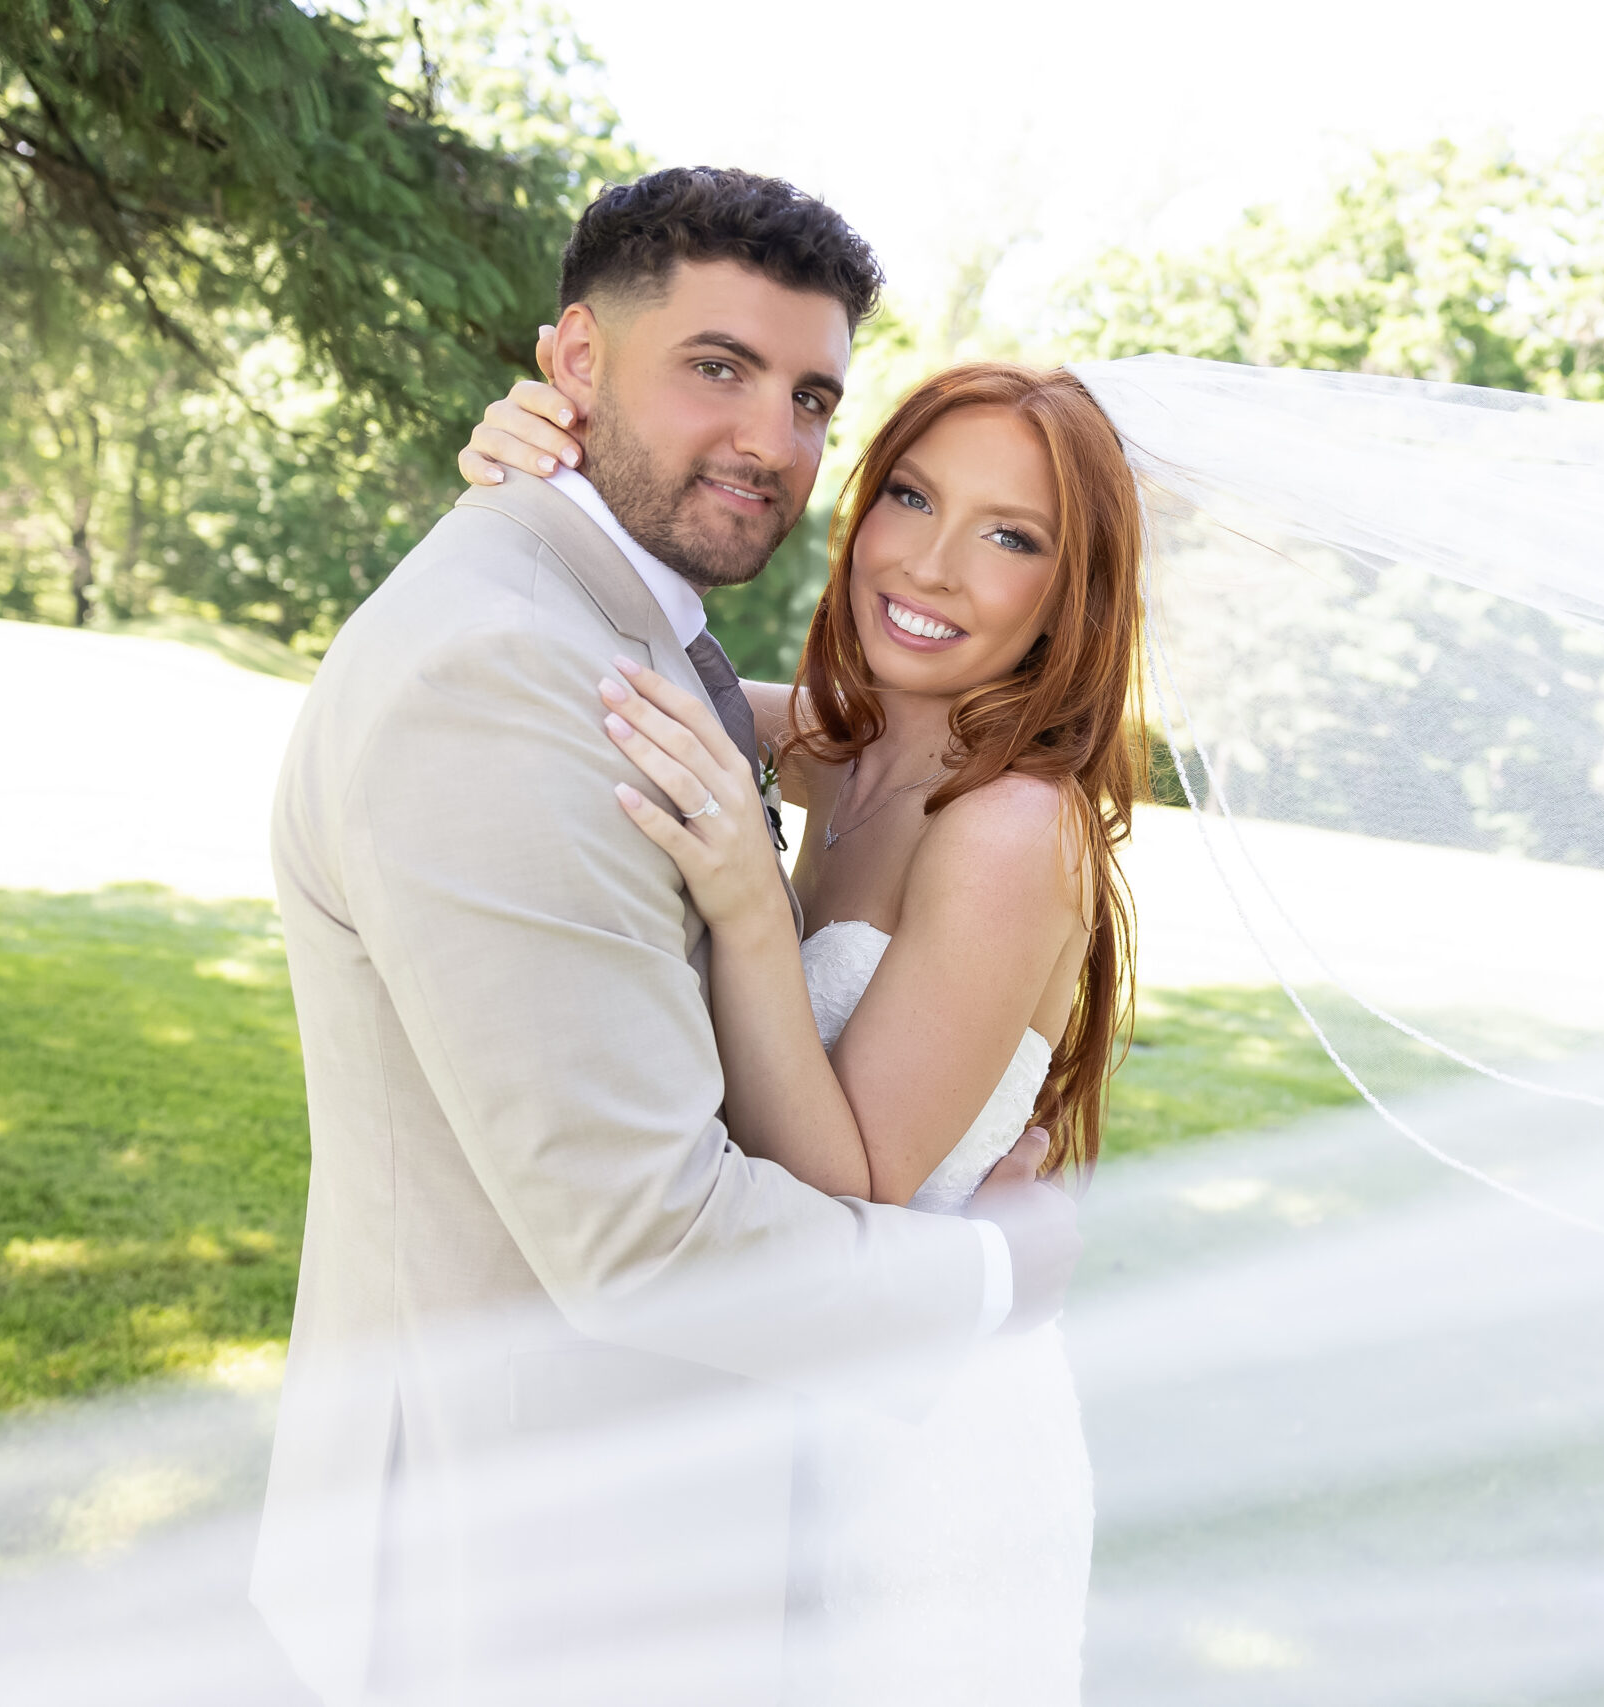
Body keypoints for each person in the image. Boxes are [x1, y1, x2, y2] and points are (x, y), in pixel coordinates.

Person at [256, 167, 1083, 1707]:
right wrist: (994, 1277)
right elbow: (649, 1239)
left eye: (813, 398)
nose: (770, 443)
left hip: (741, 1504)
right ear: (574, 364)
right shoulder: (505, 674)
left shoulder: (636, 641)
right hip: (513, 1568)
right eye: (717, 369)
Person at [457, 348, 1144, 1693]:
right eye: (910, 498)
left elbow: (856, 1189)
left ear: (1072, 595)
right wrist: (532, 487)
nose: (933, 566)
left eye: (1011, 537)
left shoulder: (1013, 827)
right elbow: (618, 675)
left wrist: (746, 903)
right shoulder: (854, 743)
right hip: (783, 1387)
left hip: (922, 1444)